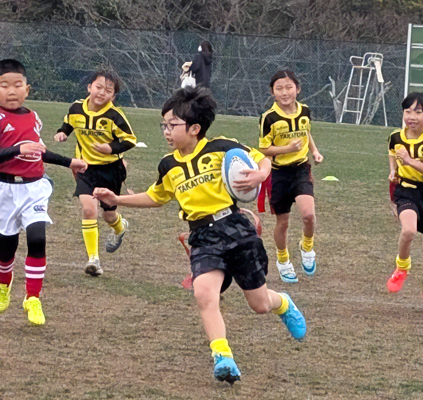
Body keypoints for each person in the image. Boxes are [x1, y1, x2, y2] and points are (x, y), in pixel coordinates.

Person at [93, 86, 306, 384]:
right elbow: (156, 196)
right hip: (202, 237)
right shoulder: (168, 165)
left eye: (172, 125)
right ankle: (223, 357)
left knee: (259, 305)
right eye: (163, 125)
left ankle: (282, 303)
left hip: (235, 228)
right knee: (204, 293)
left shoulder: (221, 147)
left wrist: (260, 174)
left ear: (194, 128)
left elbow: (261, 158)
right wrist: (117, 200)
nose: (166, 132)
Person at [0, 59, 88, 325]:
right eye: (4, 86)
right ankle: (3, 283)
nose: (12, 91)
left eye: (18, 85)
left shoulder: (33, 117)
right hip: (5, 189)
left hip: (34, 189)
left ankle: (33, 298)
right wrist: (18, 149)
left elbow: (39, 151)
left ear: (27, 89)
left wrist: (69, 162)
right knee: (8, 245)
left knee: (37, 238)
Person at [54, 70, 137, 277]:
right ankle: (94, 259)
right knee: (89, 209)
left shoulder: (114, 116)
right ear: (89, 87)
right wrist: (63, 132)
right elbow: (69, 122)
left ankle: (120, 226)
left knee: (109, 214)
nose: (102, 93)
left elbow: (130, 140)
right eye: (98, 87)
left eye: (108, 90)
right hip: (85, 168)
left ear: (113, 96)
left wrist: (111, 148)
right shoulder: (76, 108)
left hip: (111, 170)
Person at [258, 70, 324, 283]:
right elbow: (264, 149)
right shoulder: (269, 118)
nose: (285, 92)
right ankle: (283, 259)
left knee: (308, 215)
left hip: (301, 169)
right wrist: (286, 148)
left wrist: (314, 151)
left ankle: (307, 246)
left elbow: (306, 132)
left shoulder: (305, 110)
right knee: (283, 222)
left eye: (289, 87)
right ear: (272, 92)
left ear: (298, 89)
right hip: (278, 175)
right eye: (279, 88)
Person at [387, 92, 423, 315]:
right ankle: (402, 266)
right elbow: (393, 152)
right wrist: (393, 170)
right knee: (408, 230)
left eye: (418, 112)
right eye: (407, 111)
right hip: (406, 191)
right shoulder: (395, 136)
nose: (411, 116)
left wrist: (410, 161)